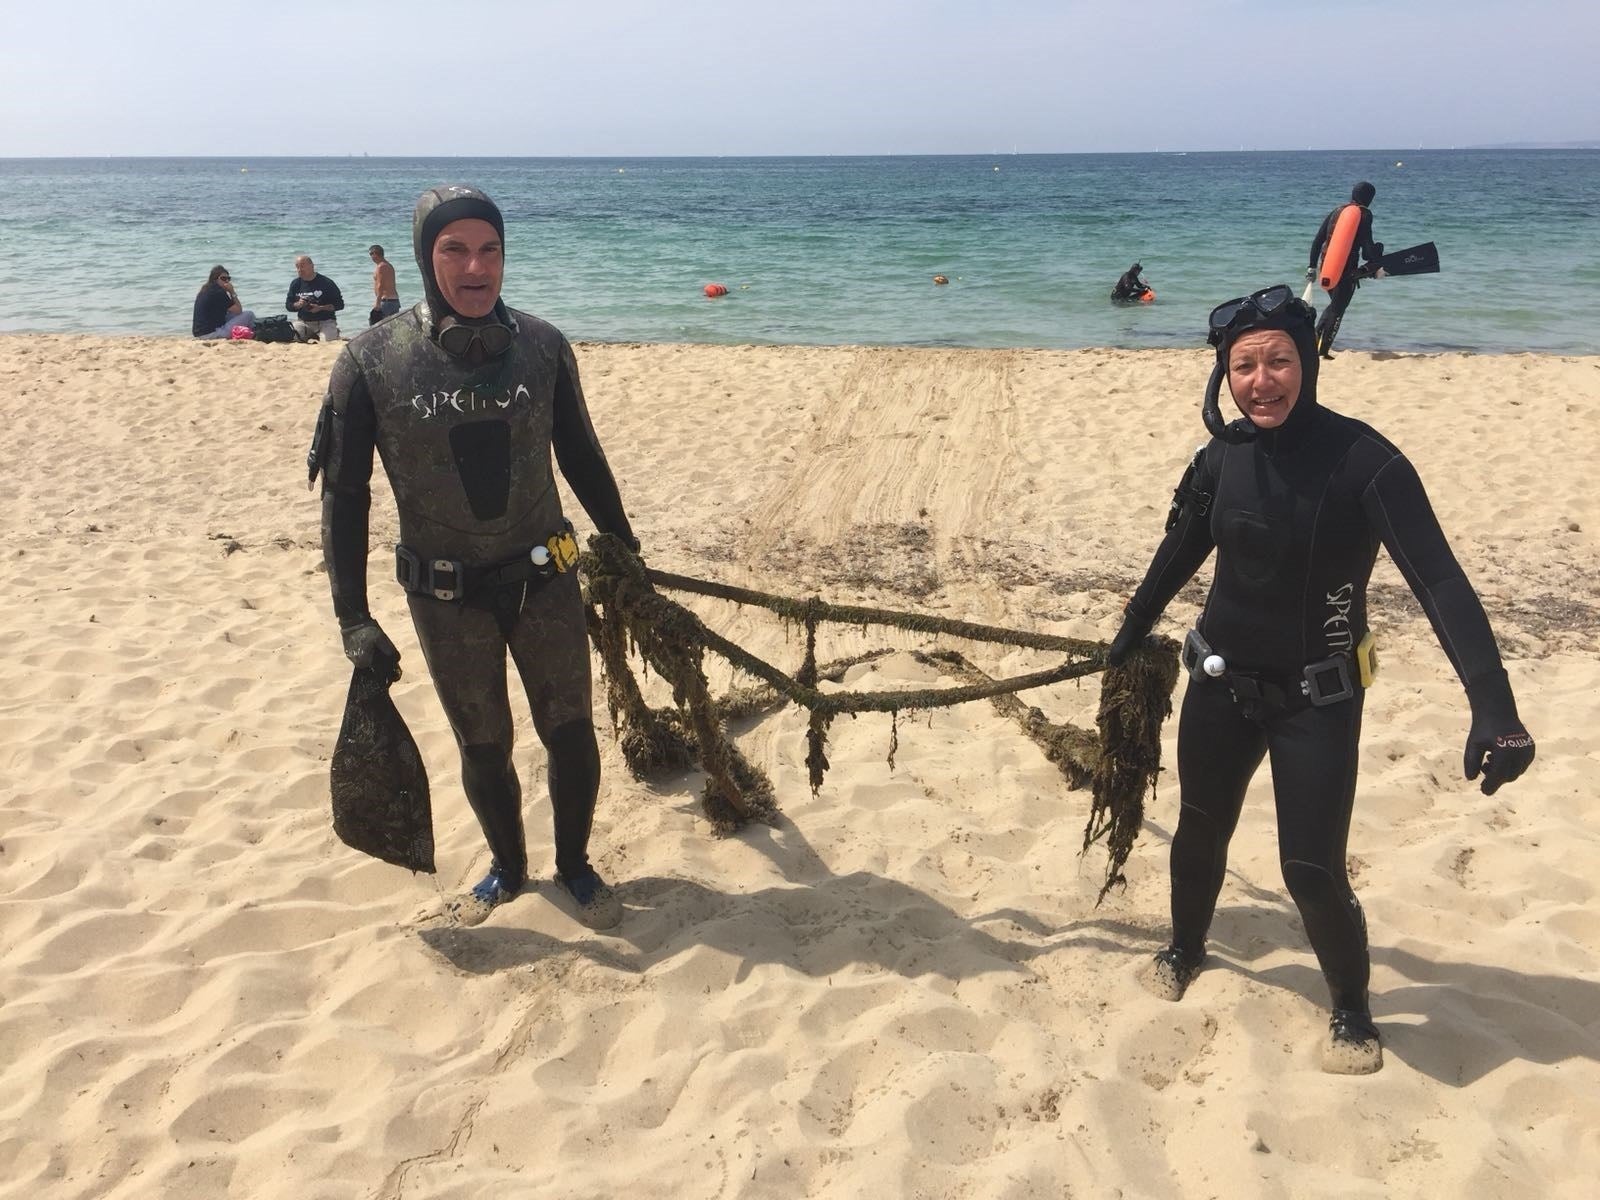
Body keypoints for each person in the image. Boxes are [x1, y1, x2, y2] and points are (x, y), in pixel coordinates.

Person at [1107, 284, 1535, 1074]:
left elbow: (1439, 583)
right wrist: (1130, 631)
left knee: (1309, 867)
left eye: (1278, 361)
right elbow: (1178, 554)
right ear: (1223, 376)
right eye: (1244, 366)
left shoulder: (1364, 463)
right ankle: (1184, 948)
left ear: (1307, 363)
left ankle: (1351, 1009)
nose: (1261, 381)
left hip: (1319, 697)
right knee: (1200, 827)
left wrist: (1495, 709)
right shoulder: (1220, 459)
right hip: (1218, 679)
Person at [308, 184, 641, 931]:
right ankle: (508, 868)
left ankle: (577, 865)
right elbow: (344, 498)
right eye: (454, 249)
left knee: (571, 731)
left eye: (489, 248)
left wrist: (622, 538)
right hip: (446, 597)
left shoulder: (544, 345)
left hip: (547, 579)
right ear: (427, 258)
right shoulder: (369, 362)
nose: (475, 266)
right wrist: (351, 616)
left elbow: (582, 453)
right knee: (483, 744)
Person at [1307, 181, 1382, 359]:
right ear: (1369, 198)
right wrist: (1378, 253)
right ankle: (1323, 351)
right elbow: (1367, 249)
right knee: (1338, 309)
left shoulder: (1337, 211)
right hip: (1346, 271)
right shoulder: (1364, 214)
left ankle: (1313, 344)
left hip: (1326, 267)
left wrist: (1311, 266)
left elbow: (1318, 241)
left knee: (1334, 305)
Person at [286, 255, 345, 341]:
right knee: (293, 337)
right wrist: (298, 305)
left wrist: (320, 308)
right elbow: (288, 305)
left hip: (325, 321)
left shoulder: (326, 282)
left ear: (312, 266)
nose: (299, 270)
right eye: (297, 267)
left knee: (327, 341)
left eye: (302, 266)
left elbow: (340, 305)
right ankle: (311, 335)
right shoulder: (296, 283)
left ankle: (334, 332)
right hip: (304, 322)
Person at [191, 266, 255, 339]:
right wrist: (232, 292)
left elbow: (233, 312)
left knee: (230, 313)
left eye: (228, 279)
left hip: (199, 333)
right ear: (215, 279)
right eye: (223, 278)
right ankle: (254, 335)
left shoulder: (205, 290)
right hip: (212, 333)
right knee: (249, 314)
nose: (227, 281)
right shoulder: (218, 292)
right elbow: (238, 310)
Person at [368, 244, 400, 325]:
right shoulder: (388, 265)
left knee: (376, 327)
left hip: (386, 302)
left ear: (375, 254)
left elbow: (380, 285)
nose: (371, 257)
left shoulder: (381, 267)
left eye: (371, 254)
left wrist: (377, 303)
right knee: (392, 327)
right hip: (394, 301)